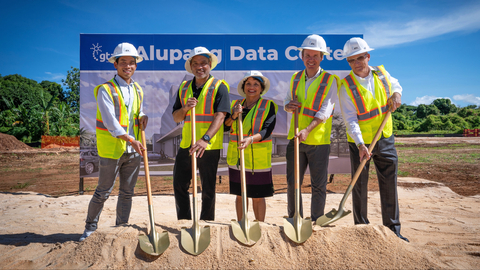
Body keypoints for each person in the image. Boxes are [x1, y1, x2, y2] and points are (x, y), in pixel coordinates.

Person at [338, 37, 408, 242]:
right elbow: (350, 119)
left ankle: (393, 231)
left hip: (385, 138)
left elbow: (396, 85)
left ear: (368, 56)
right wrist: (360, 144)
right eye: (352, 60)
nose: (357, 63)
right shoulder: (346, 86)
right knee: (359, 184)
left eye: (361, 57)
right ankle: (361, 229)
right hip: (360, 142)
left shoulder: (381, 73)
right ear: (348, 62)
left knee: (389, 184)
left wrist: (396, 94)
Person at [80, 42, 148, 241]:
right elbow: (111, 122)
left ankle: (121, 228)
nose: (128, 66)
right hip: (112, 149)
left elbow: (136, 111)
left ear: (136, 65)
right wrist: (131, 140)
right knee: (103, 191)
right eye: (123, 62)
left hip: (133, 151)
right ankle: (90, 229)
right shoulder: (105, 90)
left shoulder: (138, 89)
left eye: (132, 62)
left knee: (127, 193)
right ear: (115, 65)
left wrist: (143, 116)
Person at [284, 35, 338, 222]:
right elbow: (286, 100)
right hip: (295, 139)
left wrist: (307, 130)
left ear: (322, 57)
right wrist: (287, 106)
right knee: (293, 183)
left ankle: (316, 219)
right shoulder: (295, 78)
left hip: (318, 141)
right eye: (308, 55)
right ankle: (295, 218)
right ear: (302, 56)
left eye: (315, 55)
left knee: (318, 184)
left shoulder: (330, 80)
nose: (311, 59)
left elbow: (325, 111)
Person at [172, 47, 230, 221]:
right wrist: (185, 108)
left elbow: (221, 116)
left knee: (208, 188)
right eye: (195, 63)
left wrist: (205, 139)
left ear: (209, 64)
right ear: (191, 66)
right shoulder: (183, 87)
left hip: (208, 145)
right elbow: (176, 117)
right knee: (179, 184)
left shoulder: (220, 87)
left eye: (203, 63)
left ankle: (206, 222)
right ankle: (184, 220)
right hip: (187, 145)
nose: (200, 67)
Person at [225, 71, 277, 222]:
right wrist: (234, 115)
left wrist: (250, 139)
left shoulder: (268, 105)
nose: (252, 87)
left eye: (256, 84)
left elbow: (267, 130)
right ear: (243, 86)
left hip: (257, 161)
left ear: (261, 88)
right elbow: (225, 126)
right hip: (237, 158)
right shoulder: (235, 105)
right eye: (248, 83)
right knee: (240, 195)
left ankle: (260, 225)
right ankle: (242, 224)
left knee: (258, 196)